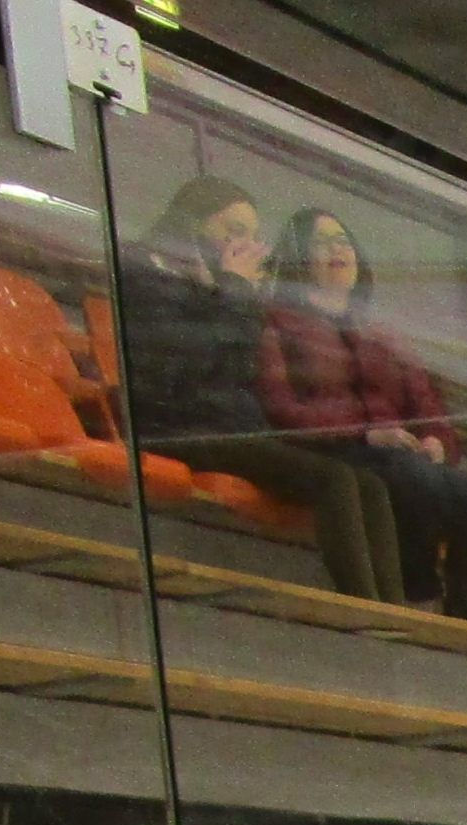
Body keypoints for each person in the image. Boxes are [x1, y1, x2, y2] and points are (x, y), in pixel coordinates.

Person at [117, 176, 403, 605]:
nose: (246, 244)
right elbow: (181, 365)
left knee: (373, 486)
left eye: (251, 234)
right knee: (335, 479)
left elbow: (236, 362)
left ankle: (396, 610)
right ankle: (367, 608)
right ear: (193, 224)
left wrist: (233, 294)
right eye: (232, 230)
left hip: (227, 423)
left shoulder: (218, 284)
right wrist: (232, 291)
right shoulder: (146, 272)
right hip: (177, 423)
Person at [260, 208, 467, 622]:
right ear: (300, 258)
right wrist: (366, 434)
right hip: (337, 450)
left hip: (401, 455)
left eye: (343, 240)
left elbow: (428, 407)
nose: (336, 249)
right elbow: (282, 409)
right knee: (412, 479)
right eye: (321, 242)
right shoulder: (280, 324)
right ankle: (418, 592)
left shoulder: (385, 335)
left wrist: (435, 440)